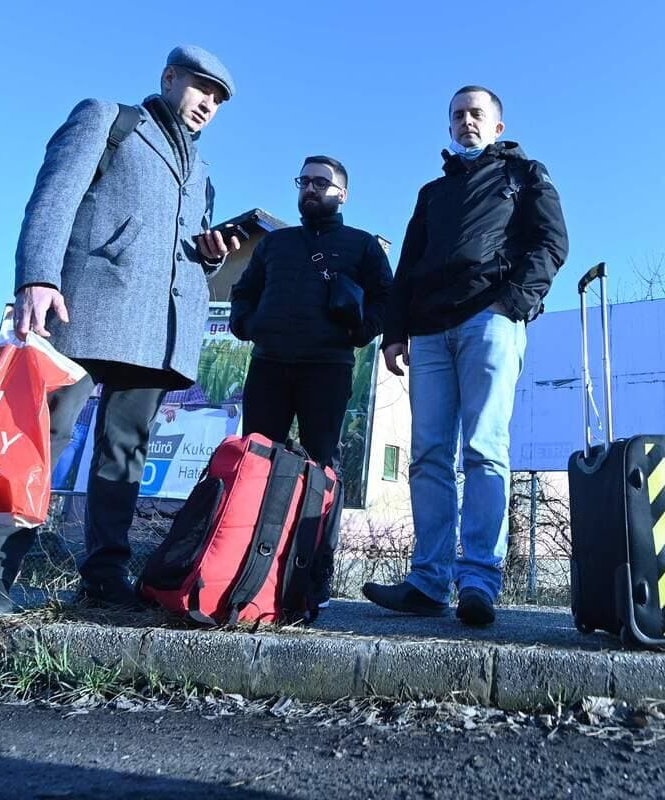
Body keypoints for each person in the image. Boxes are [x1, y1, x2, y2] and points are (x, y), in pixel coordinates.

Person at [0, 45, 241, 620]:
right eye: (200, 87)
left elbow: (177, 247)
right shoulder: (109, 120)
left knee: (124, 452)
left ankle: (105, 576)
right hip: (83, 306)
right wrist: (36, 277)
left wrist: (210, 257)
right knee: (42, 435)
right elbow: (52, 197)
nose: (208, 103)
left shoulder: (203, 171)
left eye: (218, 98)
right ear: (169, 78)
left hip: (159, 328)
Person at [363, 86, 568, 626]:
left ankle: (478, 580)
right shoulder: (432, 193)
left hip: (489, 321)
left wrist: (511, 304)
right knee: (428, 454)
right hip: (430, 333)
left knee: (483, 448)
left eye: (476, 113)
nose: (466, 121)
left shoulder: (524, 174)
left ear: (497, 126)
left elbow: (552, 243)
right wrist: (394, 333)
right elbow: (408, 265)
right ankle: (428, 581)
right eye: (457, 115)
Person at [229, 156, 392, 469]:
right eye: (304, 181)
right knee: (256, 460)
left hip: (327, 368)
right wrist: (249, 325)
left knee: (321, 463)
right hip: (268, 366)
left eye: (321, 182)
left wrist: (360, 332)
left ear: (342, 194)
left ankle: (319, 505)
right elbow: (244, 291)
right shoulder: (275, 243)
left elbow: (386, 297)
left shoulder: (362, 244)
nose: (310, 188)